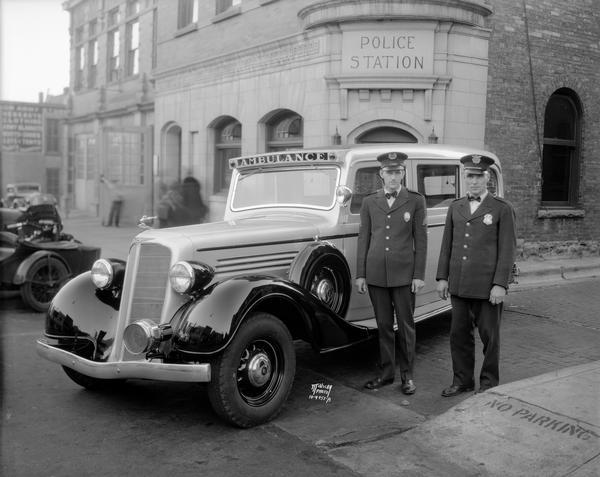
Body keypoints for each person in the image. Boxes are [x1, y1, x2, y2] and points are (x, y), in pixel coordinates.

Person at [436, 154, 517, 397]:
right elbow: (446, 245)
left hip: (487, 288)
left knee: (489, 338)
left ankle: (489, 384)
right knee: (458, 336)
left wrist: (500, 284)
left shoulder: (502, 209)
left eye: (478, 176)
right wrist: (442, 277)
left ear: (487, 178)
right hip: (459, 285)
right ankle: (463, 381)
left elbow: (507, 250)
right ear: (464, 177)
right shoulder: (455, 207)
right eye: (469, 176)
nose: (473, 181)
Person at [356, 151, 427, 394]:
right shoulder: (369, 202)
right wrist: (361, 274)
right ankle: (387, 374)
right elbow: (364, 238)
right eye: (389, 172)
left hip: (404, 276)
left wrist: (418, 275)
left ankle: (407, 377)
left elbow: (421, 240)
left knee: (406, 327)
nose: (393, 176)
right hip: (376, 274)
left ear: (404, 173)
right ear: (381, 174)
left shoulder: (415, 201)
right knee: (383, 326)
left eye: (398, 172)